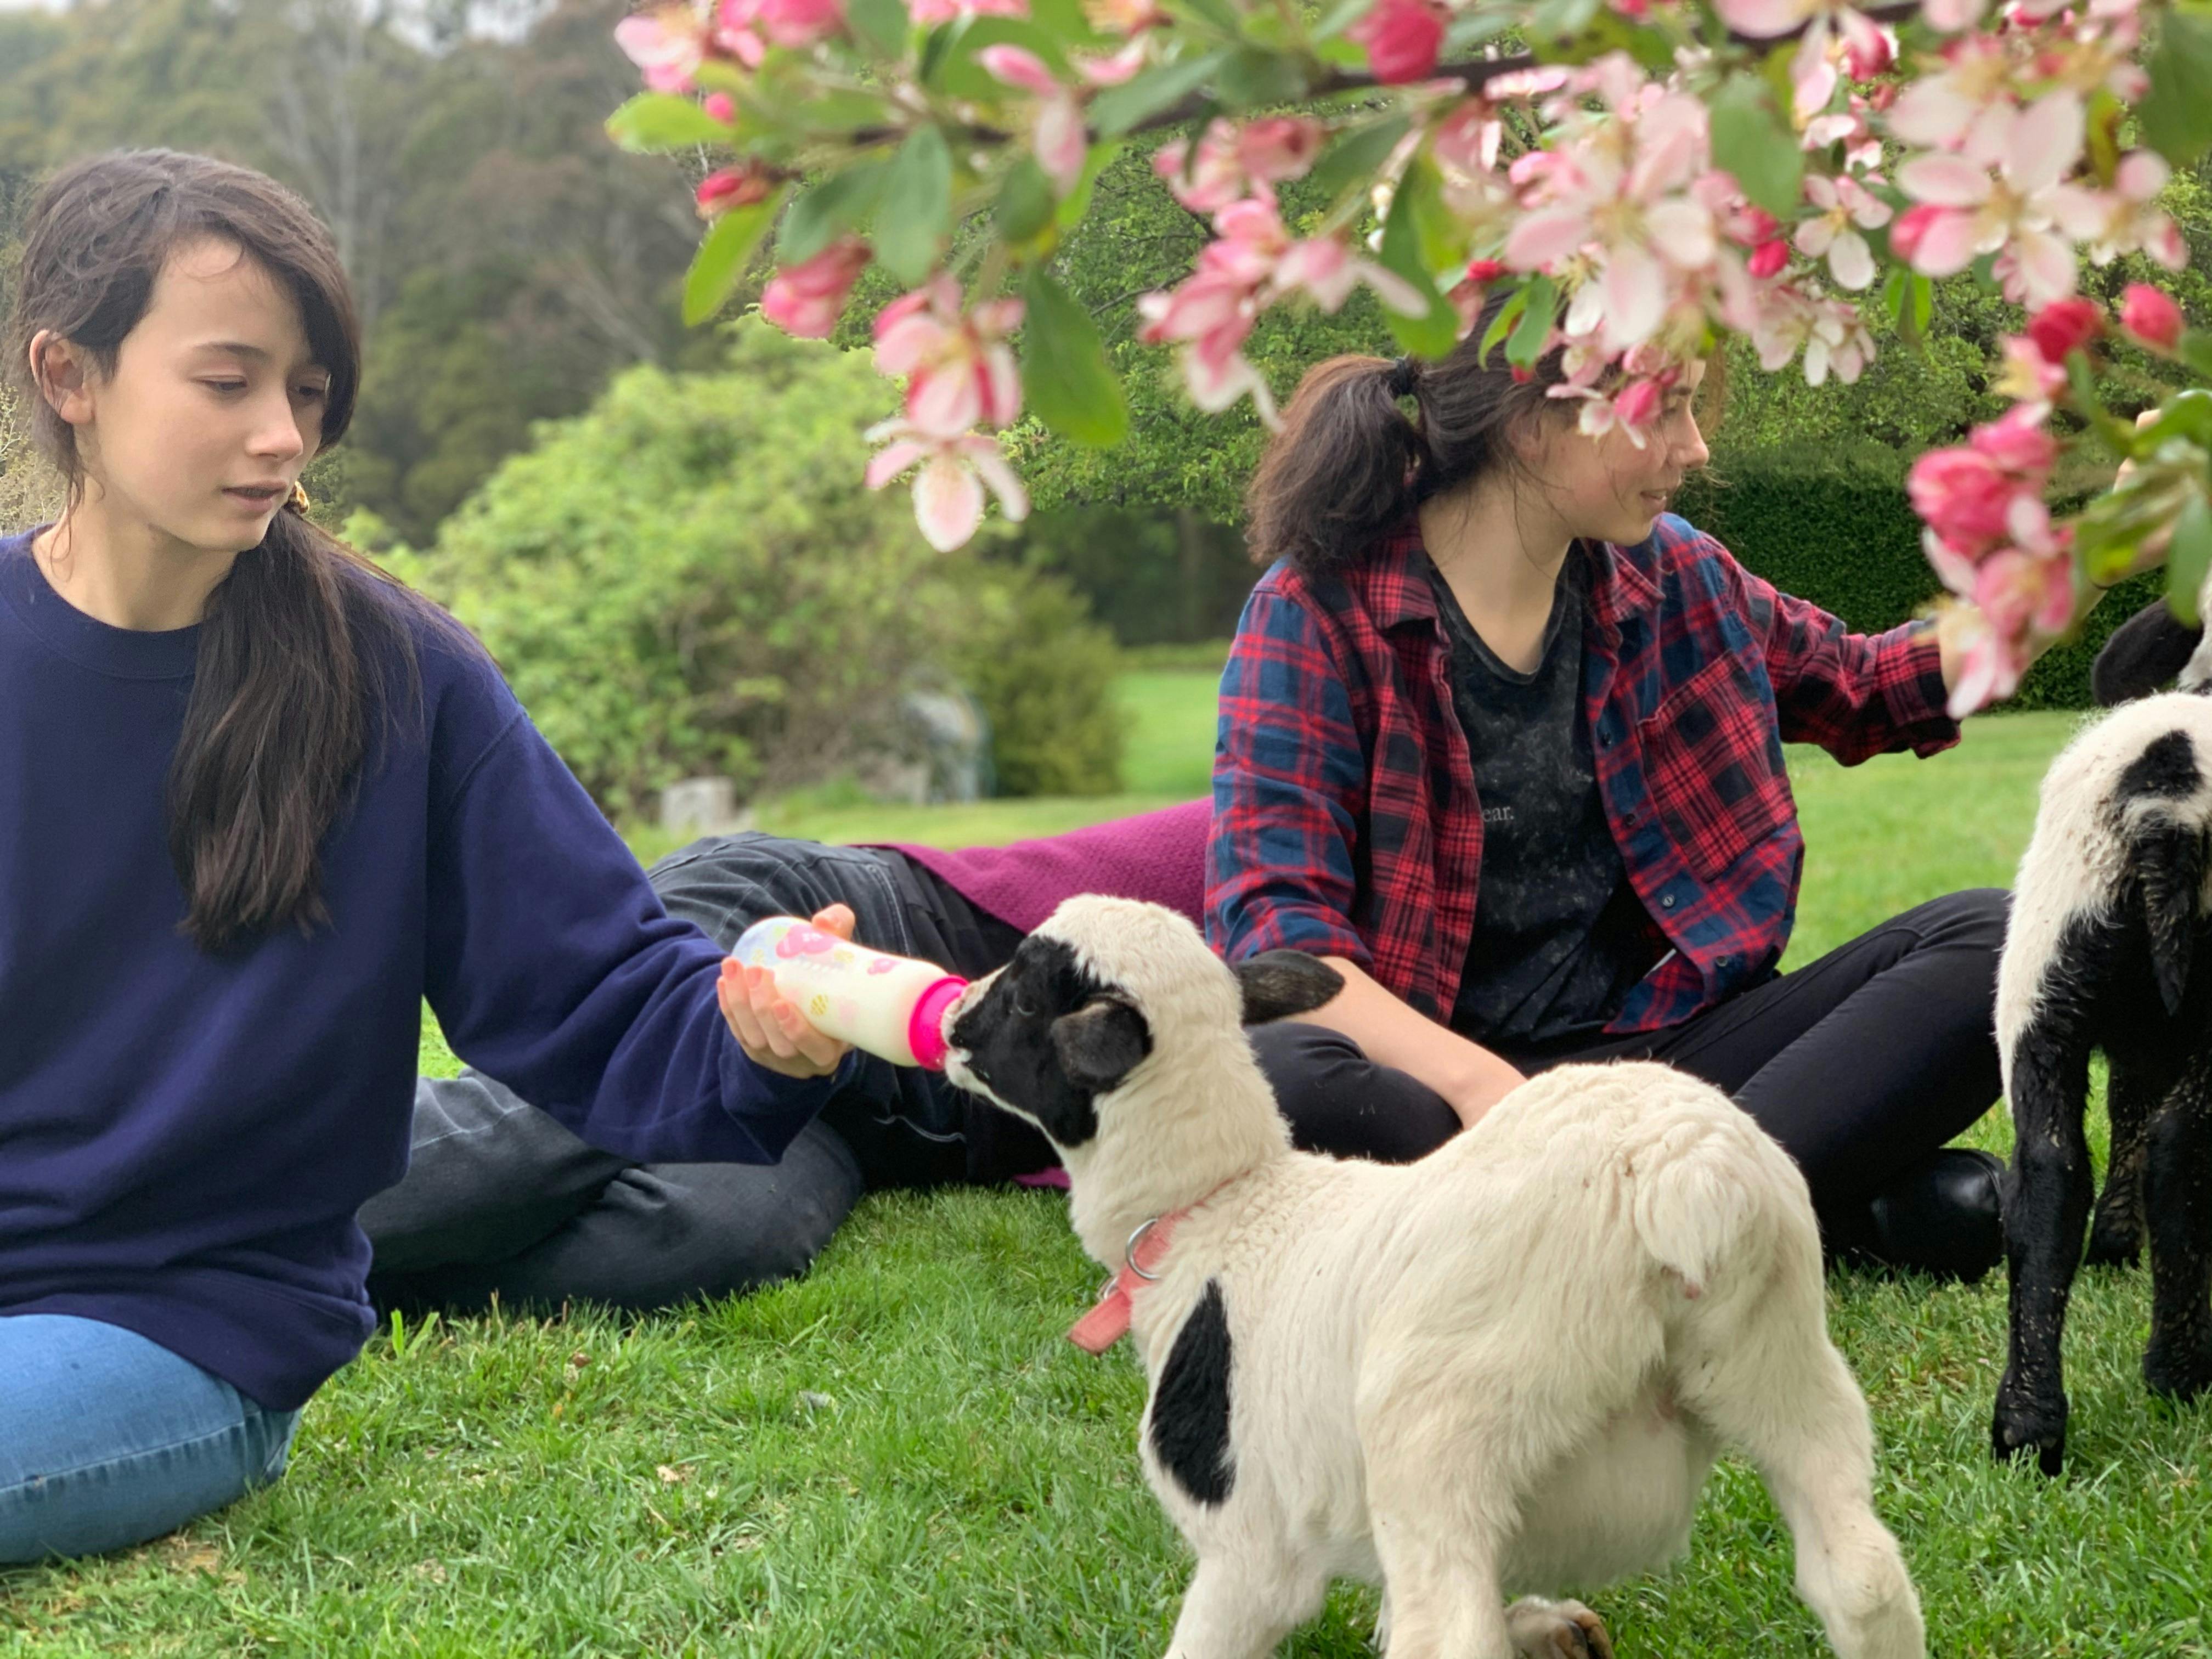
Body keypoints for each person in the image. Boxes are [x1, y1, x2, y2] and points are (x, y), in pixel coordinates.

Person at [0, 150, 865, 1564]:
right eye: (229, 384)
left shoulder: (395, 677)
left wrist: (758, 1036)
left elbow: (599, 989)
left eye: (309, 393)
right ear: (72, 374)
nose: (283, 434)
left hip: (176, 1323)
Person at [1205, 319, 2158, 1282]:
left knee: (1996, 939)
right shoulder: (1317, 612)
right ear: (1535, 423)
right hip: (1449, 1095)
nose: (1694, 448)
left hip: (1668, 1066)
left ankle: (1607, 1242)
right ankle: (1771, 1215)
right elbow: (1282, 947)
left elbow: (1873, 685)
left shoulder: (1678, 576)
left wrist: (2100, 549)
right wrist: (1492, 1093)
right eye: (1665, 408)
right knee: (1294, 1081)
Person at [363, 804, 1211, 1315]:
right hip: (830, 936)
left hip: (887, 1121)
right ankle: (240, 1186)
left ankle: (301, 1274)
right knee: (534, 1140)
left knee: (706, 1240)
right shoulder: (1292, 843)